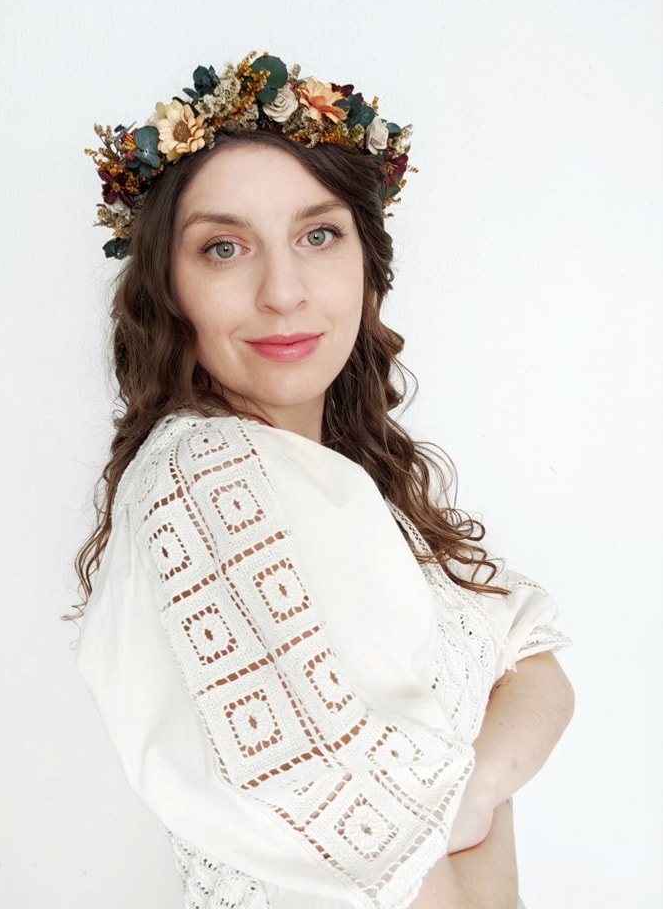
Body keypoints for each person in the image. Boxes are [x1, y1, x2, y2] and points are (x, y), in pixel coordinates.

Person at [74, 53, 574, 909]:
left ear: (368, 267)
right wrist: (477, 792)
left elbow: (534, 658)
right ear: (169, 289)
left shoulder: (356, 486)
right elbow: (372, 847)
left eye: (318, 235)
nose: (283, 291)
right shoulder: (205, 480)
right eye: (224, 248)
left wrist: (470, 789)